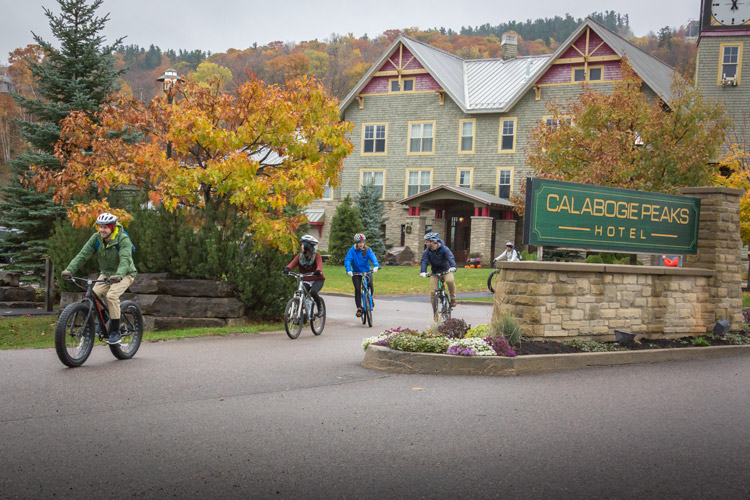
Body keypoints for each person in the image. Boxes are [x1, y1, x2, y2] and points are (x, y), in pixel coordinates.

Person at [60, 212, 137, 345]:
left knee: (111, 296)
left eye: (105, 227)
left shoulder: (122, 239)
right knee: (91, 295)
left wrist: (119, 275)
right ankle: (105, 319)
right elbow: (82, 255)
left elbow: (125, 260)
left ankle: (115, 332)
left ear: (112, 227)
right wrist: (69, 270)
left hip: (125, 274)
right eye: (100, 227)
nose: (102, 230)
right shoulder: (96, 238)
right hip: (107, 273)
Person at [283, 234, 325, 317]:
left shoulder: (317, 256)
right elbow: (292, 264)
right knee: (301, 294)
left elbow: (319, 265)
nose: (301, 246)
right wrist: (287, 269)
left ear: (307, 246)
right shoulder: (300, 256)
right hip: (306, 279)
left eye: (303, 244)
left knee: (313, 292)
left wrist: (318, 270)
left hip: (317, 279)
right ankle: (302, 315)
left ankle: (320, 309)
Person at [344, 233, 379, 317]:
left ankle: (370, 298)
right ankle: (359, 308)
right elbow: (348, 260)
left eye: (363, 242)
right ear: (356, 243)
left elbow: (373, 257)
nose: (361, 244)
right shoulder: (352, 251)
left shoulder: (367, 250)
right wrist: (348, 270)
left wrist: (376, 265)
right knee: (357, 289)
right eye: (360, 243)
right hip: (356, 273)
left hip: (366, 271)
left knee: (370, 285)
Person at [419, 232, 457, 308]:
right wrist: (423, 271)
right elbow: (424, 261)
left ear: (432, 242)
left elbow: (450, 257)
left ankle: (453, 298)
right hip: (435, 272)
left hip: (446, 270)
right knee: (433, 292)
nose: (425, 243)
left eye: (426, 242)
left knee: (450, 281)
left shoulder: (444, 249)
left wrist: (453, 266)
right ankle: (435, 314)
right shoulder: (427, 252)